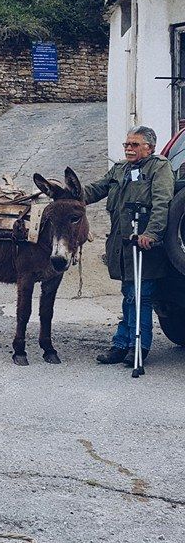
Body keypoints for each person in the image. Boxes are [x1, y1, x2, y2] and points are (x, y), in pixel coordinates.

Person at [84, 125, 175, 368]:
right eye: (127, 144)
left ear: (150, 147)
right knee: (128, 296)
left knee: (140, 296)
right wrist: (67, 193)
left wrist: (151, 234)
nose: (128, 148)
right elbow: (95, 190)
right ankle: (121, 345)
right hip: (122, 248)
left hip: (146, 247)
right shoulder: (120, 169)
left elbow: (162, 203)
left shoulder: (159, 168)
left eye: (134, 145)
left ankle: (139, 347)